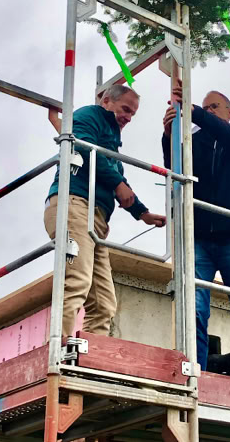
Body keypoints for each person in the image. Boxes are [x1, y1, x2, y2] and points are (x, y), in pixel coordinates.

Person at [162, 83, 230, 383]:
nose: (208, 112)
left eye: (214, 107)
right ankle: (197, 378)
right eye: (205, 107)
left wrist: (195, 112)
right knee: (194, 312)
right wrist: (169, 136)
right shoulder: (194, 141)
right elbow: (175, 170)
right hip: (201, 239)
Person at [45, 84, 166, 338]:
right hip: (74, 205)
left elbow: (120, 182)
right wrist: (118, 184)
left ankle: (90, 355)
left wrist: (142, 213)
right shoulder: (89, 115)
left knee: (103, 303)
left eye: (133, 114)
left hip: (95, 218)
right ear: (106, 101)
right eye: (125, 109)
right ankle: (57, 348)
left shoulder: (111, 145)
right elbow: (82, 147)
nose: (128, 117)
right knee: (77, 281)